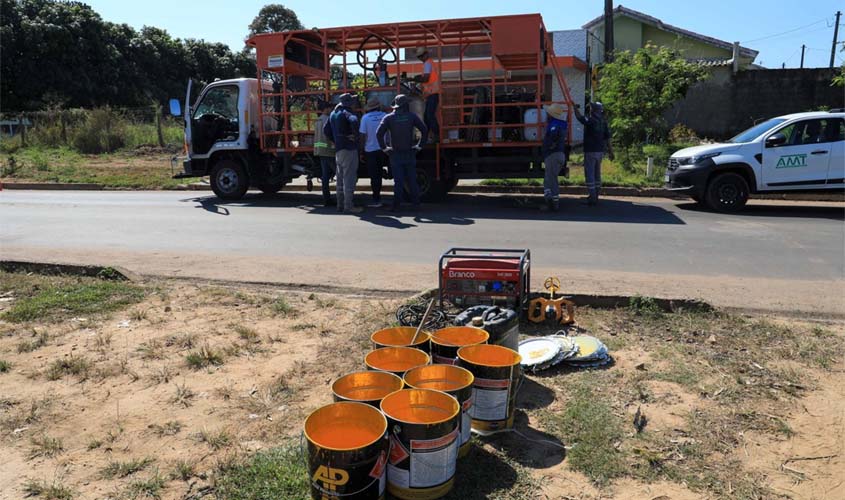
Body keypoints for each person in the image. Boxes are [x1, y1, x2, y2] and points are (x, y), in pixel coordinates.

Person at [376, 94, 427, 212]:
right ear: (406, 105)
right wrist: (419, 146)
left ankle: (396, 205)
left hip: (395, 154)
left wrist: (385, 148)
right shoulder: (411, 117)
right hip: (410, 152)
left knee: (398, 181)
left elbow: (379, 134)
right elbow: (424, 130)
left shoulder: (388, 118)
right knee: (412, 180)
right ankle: (416, 204)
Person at [323, 93, 362, 214]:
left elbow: (326, 130)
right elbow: (354, 120)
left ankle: (340, 205)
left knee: (340, 179)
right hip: (349, 149)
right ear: (349, 103)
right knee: (349, 178)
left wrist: (336, 139)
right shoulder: (346, 112)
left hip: (338, 150)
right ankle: (348, 206)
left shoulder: (333, 114)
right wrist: (355, 136)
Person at [574, 102, 613, 205]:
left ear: (593, 110)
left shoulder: (590, 120)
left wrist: (574, 108)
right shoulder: (603, 122)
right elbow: (608, 138)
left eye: (591, 108)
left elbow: (580, 118)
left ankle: (592, 197)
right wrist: (611, 152)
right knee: (597, 174)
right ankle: (596, 194)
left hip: (590, 151)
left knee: (590, 174)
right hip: (600, 151)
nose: (589, 109)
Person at [359, 97, 388, 207]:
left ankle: (376, 199)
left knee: (373, 175)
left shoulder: (365, 118)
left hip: (369, 150)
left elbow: (362, 136)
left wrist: (361, 152)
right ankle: (378, 197)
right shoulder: (384, 116)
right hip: (382, 149)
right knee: (379, 174)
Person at [540, 103, 568, 212]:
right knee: (552, 178)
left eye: (548, 113)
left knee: (549, 179)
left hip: (553, 155)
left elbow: (553, 133)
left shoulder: (554, 124)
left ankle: (551, 203)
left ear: (551, 115)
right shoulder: (562, 123)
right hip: (560, 154)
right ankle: (553, 201)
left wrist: (551, 144)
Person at [413, 47, 440, 143]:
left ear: (425, 54)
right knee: (427, 116)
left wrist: (415, 79)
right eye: (419, 57)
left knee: (429, 116)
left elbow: (426, 79)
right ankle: (426, 137)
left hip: (433, 93)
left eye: (421, 56)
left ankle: (436, 136)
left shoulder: (427, 64)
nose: (420, 58)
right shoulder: (429, 63)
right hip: (431, 93)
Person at [313, 101, 336, 207]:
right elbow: (329, 135)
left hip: (320, 151)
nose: (331, 110)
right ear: (326, 109)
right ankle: (343, 198)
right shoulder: (329, 120)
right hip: (329, 151)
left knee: (325, 176)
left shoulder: (318, 120)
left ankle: (326, 199)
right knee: (339, 174)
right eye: (330, 108)